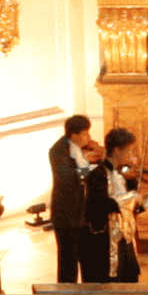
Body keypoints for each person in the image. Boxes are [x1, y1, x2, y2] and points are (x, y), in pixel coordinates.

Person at [83, 126, 148, 283]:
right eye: (129, 150)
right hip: (105, 244)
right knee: (112, 284)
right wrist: (131, 197)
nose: (131, 155)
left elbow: (133, 208)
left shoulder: (121, 175)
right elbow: (98, 206)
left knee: (130, 278)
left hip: (125, 240)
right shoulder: (97, 175)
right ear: (117, 150)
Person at [48, 114, 103, 283]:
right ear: (74, 135)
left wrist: (95, 158)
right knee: (68, 263)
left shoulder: (79, 148)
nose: (89, 138)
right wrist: (87, 164)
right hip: (67, 215)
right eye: (86, 134)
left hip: (83, 215)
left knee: (88, 259)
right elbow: (68, 177)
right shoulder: (58, 151)